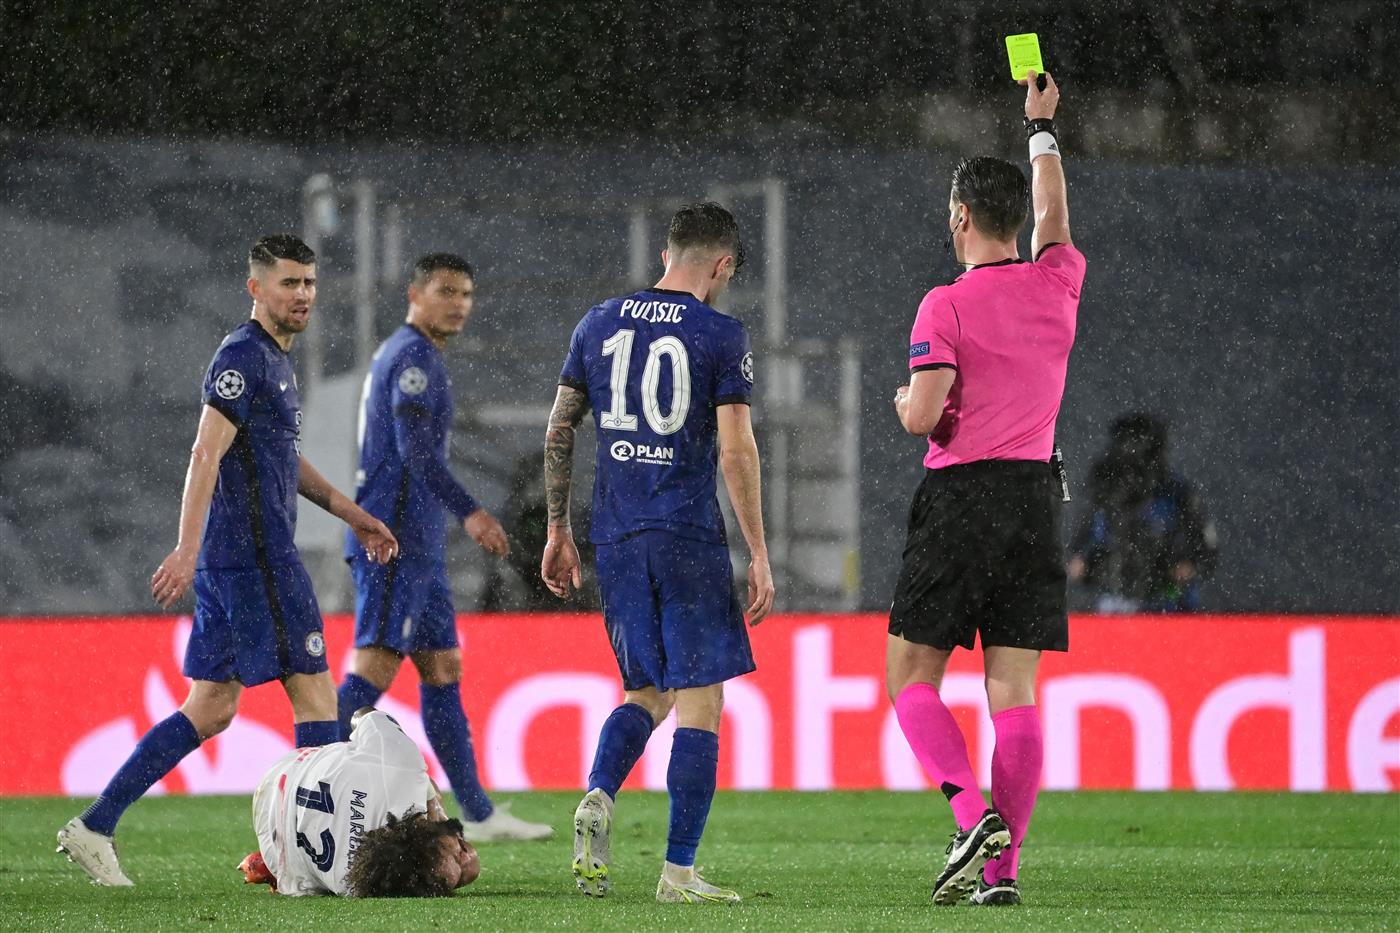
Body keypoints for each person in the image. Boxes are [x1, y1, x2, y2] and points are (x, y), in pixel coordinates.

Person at [57, 234, 400, 886]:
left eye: (308, 283)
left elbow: (280, 460)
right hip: (255, 561)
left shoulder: (275, 361)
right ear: (256, 288)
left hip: (241, 560)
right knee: (314, 692)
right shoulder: (242, 357)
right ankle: (311, 855)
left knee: (212, 707)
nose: (301, 295)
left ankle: (95, 825)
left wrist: (351, 513)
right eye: (288, 283)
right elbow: (204, 452)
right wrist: (185, 550)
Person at [887, 71, 1084, 908]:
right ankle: (1000, 875)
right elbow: (1054, 218)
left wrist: (905, 403)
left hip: (962, 496)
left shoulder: (945, 305)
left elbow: (923, 415)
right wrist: (1041, 129)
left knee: (910, 677)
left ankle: (971, 815)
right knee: (1014, 689)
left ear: (960, 218)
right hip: (1037, 497)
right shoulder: (1059, 282)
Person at [541, 202, 775, 904]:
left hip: (615, 535)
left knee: (647, 691)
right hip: (686, 534)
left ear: (667, 253)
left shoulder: (599, 320)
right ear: (723, 265)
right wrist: (759, 550)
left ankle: (599, 791)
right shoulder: (720, 333)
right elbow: (735, 448)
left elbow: (560, 426)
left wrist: (558, 527)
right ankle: (677, 872)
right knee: (701, 700)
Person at [335, 252, 551, 842]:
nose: (459, 303)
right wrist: (472, 512)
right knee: (375, 668)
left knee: (441, 667)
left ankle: (478, 814)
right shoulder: (412, 358)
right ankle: (310, 783)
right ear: (415, 294)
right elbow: (414, 452)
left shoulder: (416, 355)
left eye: (466, 294)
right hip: (394, 542)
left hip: (418, 545)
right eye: (446, 291)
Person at [240, 707, 480, 897]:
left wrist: (432, 803)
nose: (463, 851)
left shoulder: (401, 763)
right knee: (468, 868)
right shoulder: (356, 885)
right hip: (277, 850)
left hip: (281, 775)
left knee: (419, 780)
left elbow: (362, 714)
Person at [1067, 412, 1218, 612]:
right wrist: (1086, 564)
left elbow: (1207, 550)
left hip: (1169, 604)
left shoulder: (1178, 494)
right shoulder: (1105, 493)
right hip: (1114, 604)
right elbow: (1077, 553)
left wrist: (1188, 566)